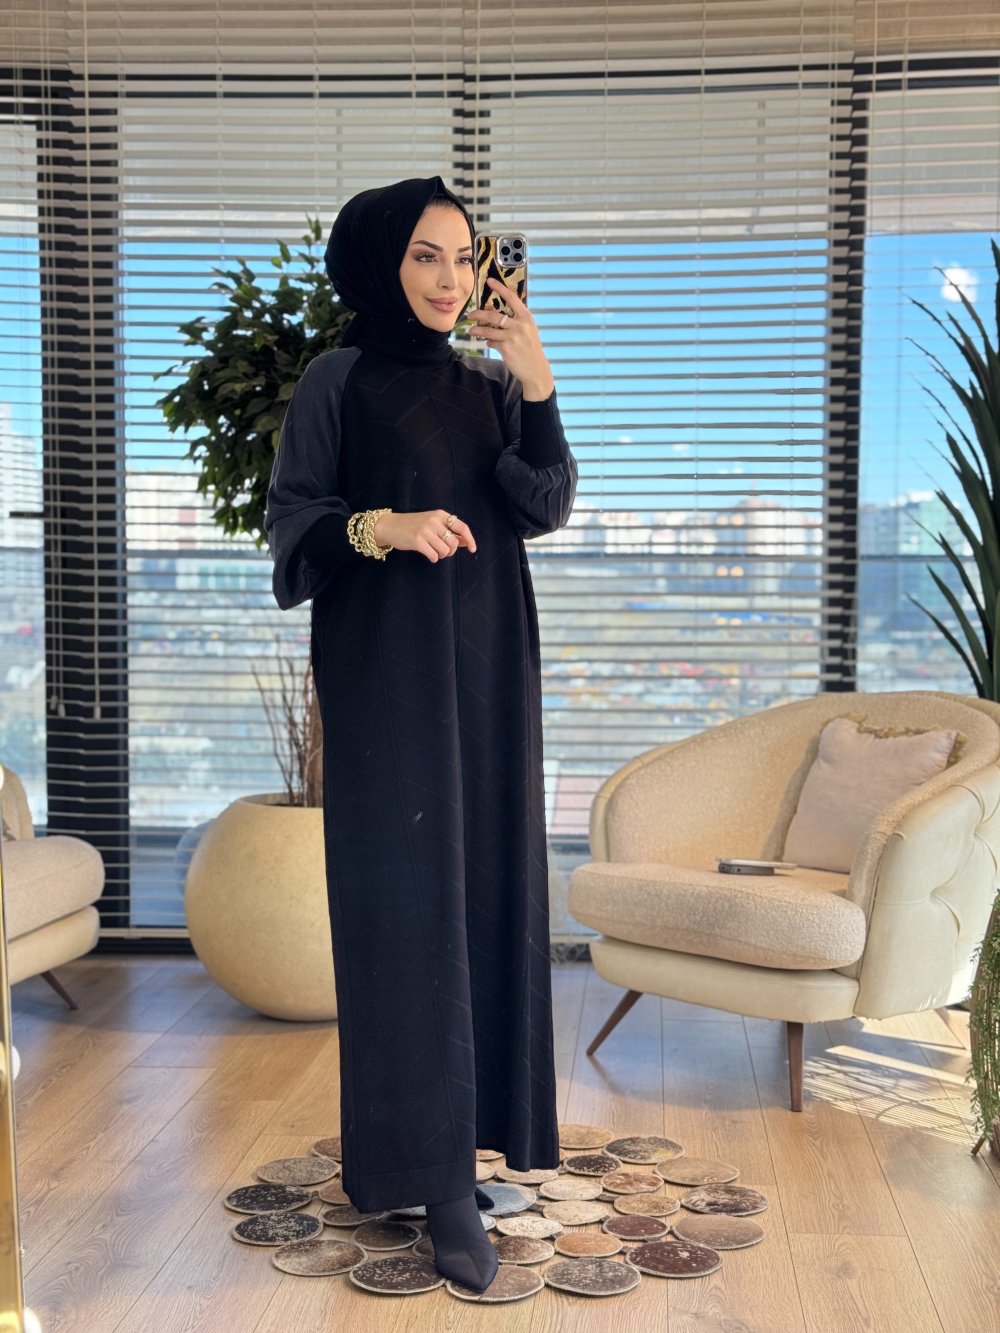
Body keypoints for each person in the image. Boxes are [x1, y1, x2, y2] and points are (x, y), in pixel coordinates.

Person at [263, 175, 578, 1291]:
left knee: (488, 890)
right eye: (424, 256)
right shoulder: (337, 380)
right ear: (377, 263)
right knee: (405, 908)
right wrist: (381, 526)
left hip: (492, 669)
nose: (449, 279)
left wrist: (536, 377)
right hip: (386, 673)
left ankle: (469, 1148)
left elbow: (544, 502)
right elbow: (292, 526)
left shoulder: (490, 385)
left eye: (462, 256)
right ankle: (433, 1183)